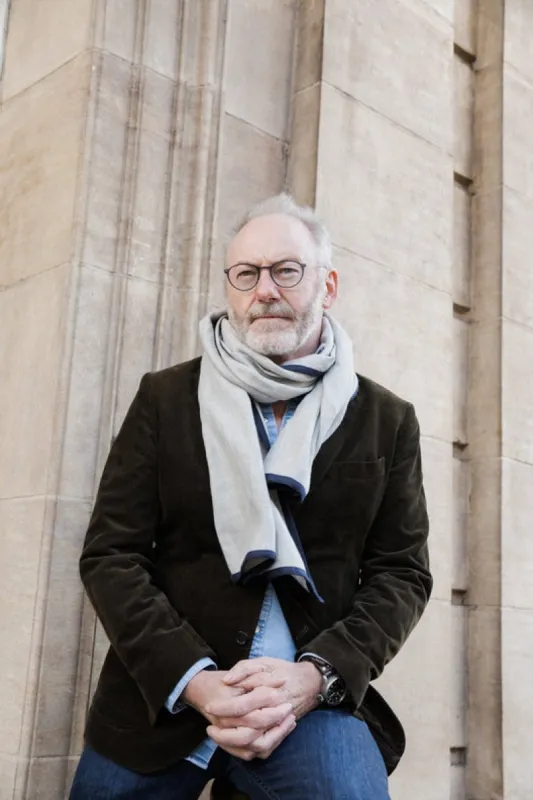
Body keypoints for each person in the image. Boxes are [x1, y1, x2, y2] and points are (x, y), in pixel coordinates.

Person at [70, 194, 432, 800]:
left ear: (329, 284)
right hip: (165, 696)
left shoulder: (386, 419)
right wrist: (194, 679)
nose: (264, 290)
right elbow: (111, 555)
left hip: (307, 703)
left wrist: (313, 678)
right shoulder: (165, 398)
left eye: (286, 270)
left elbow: (402, 573)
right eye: (246, 273)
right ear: (230, 287)